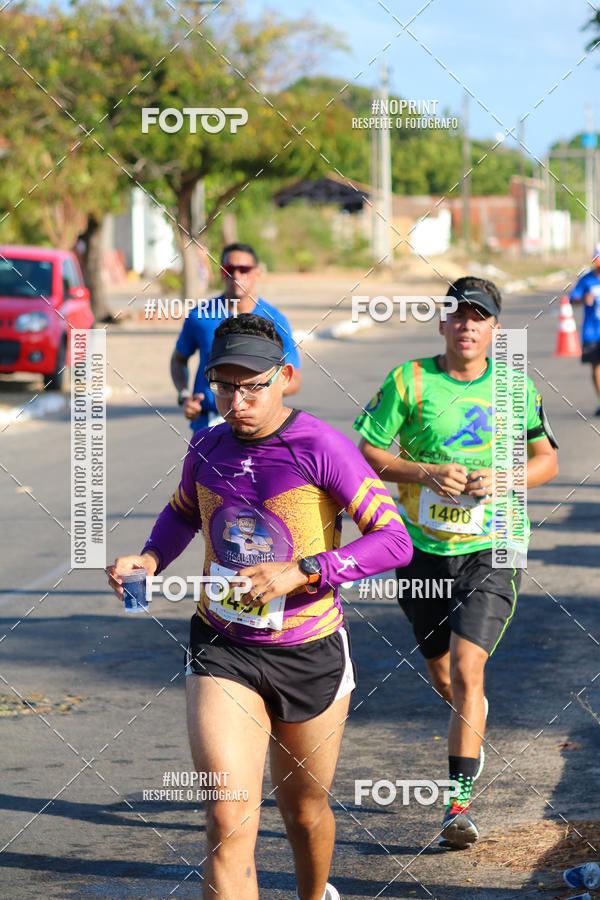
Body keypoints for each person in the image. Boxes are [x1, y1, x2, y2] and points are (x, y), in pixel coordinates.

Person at [108, 313, 413, 899]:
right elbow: (183, 511)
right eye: (224, 386)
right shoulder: (206, 446)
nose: (238, 400)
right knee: (227, 820)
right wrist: (149, 560)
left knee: (303, 813)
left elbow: (393, 540)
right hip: (225, 647)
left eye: (252, 385)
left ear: (286, 378)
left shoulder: (322, 447)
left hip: (310, 650)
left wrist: (304, 571)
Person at [353, 277, 558, 850]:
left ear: (495, 328)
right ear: (441, 323)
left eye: (479, 317)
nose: (467, 325)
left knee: (470, 670)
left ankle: (456, 807)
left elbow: (546, 460)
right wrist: (424, 473)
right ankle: (472, 718)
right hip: (420, 549)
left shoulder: (516, 388)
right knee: (444, 675)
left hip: (494, 547)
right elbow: (368, 452)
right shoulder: (409, 380)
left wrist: (507, 478)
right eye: (457, 315)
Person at [171, 242, 302, 431]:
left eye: (244, 269)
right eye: (229, 269)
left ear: (257, 272)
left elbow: (294, 380)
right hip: (209, 423)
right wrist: (184, 396)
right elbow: (178, 360)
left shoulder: (276, 320)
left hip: (256, 423)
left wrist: (256, 390)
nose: (236, 275)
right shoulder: (201, 316)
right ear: (221, 273)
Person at [569, 244, 600, 415]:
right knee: (596, 366)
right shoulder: (586, 279)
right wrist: (583, 300)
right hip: (593, 332)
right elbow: (573, 298)